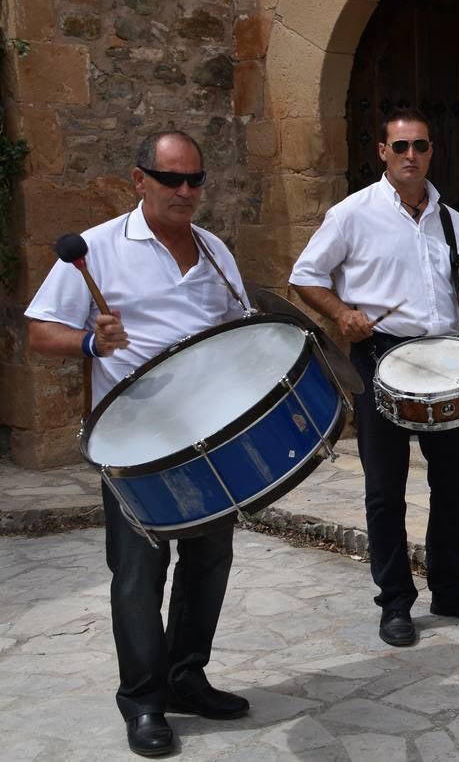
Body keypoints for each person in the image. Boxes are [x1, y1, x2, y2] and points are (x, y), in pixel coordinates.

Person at [26, 131, 251, 757]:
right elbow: (40, 332)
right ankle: (144, 702)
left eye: (195, 181)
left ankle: (186, 678)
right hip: (133, 442)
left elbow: (237, 332)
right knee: (138, 573)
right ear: (139, 179)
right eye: (171, 178)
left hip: (207, 435)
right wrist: (91, 344)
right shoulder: (94, 251)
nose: (184, 192)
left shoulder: (214, 251)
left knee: (209, 561)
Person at [290, 108, 459, 648]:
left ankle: (451, 588)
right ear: (383, 153)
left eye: (420, 146)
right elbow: (305, 276)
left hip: (445, 361)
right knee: (385, 491)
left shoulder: (450, 220)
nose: (411, 155)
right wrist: (342, 313)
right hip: (379, 359)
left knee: (455, 480)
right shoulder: (352, 214)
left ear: (431, 151)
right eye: (401, 147)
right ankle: (395, 601)